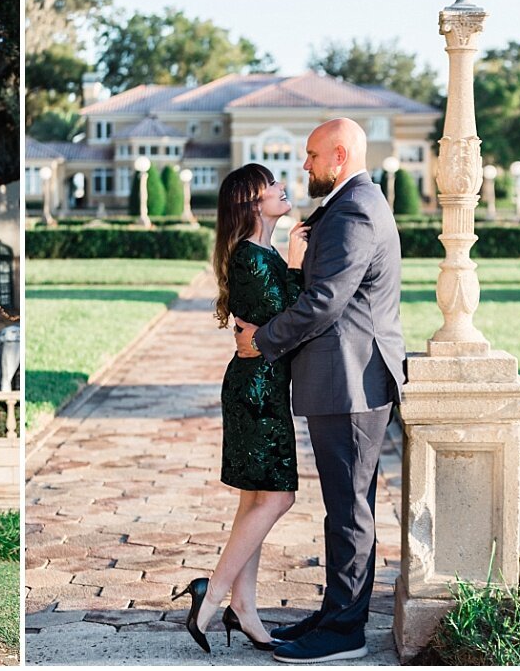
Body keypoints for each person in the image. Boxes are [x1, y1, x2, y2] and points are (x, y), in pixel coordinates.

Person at [233, 118, 404, 664]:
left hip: (353, 380)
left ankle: (345, 632)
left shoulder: (356, 208)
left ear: (339, 153)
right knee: (343, 508)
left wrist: (263, 341)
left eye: (310, 155)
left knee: (351, 510)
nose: (303, 165)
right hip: (341, 379)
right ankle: (335, 615)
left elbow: (326, 299)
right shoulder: (350, 202)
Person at [175, 163, 308, 654]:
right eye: (271, 184)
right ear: (252, 202)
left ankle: (244, 609)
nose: (281, 187)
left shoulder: (261, 252)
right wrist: (295, 266)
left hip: (262, 382)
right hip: (256, 388)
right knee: (276, 498)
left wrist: (289, 259)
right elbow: (288, 319)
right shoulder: (251, 258)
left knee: (255, 498)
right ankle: (209, 599)